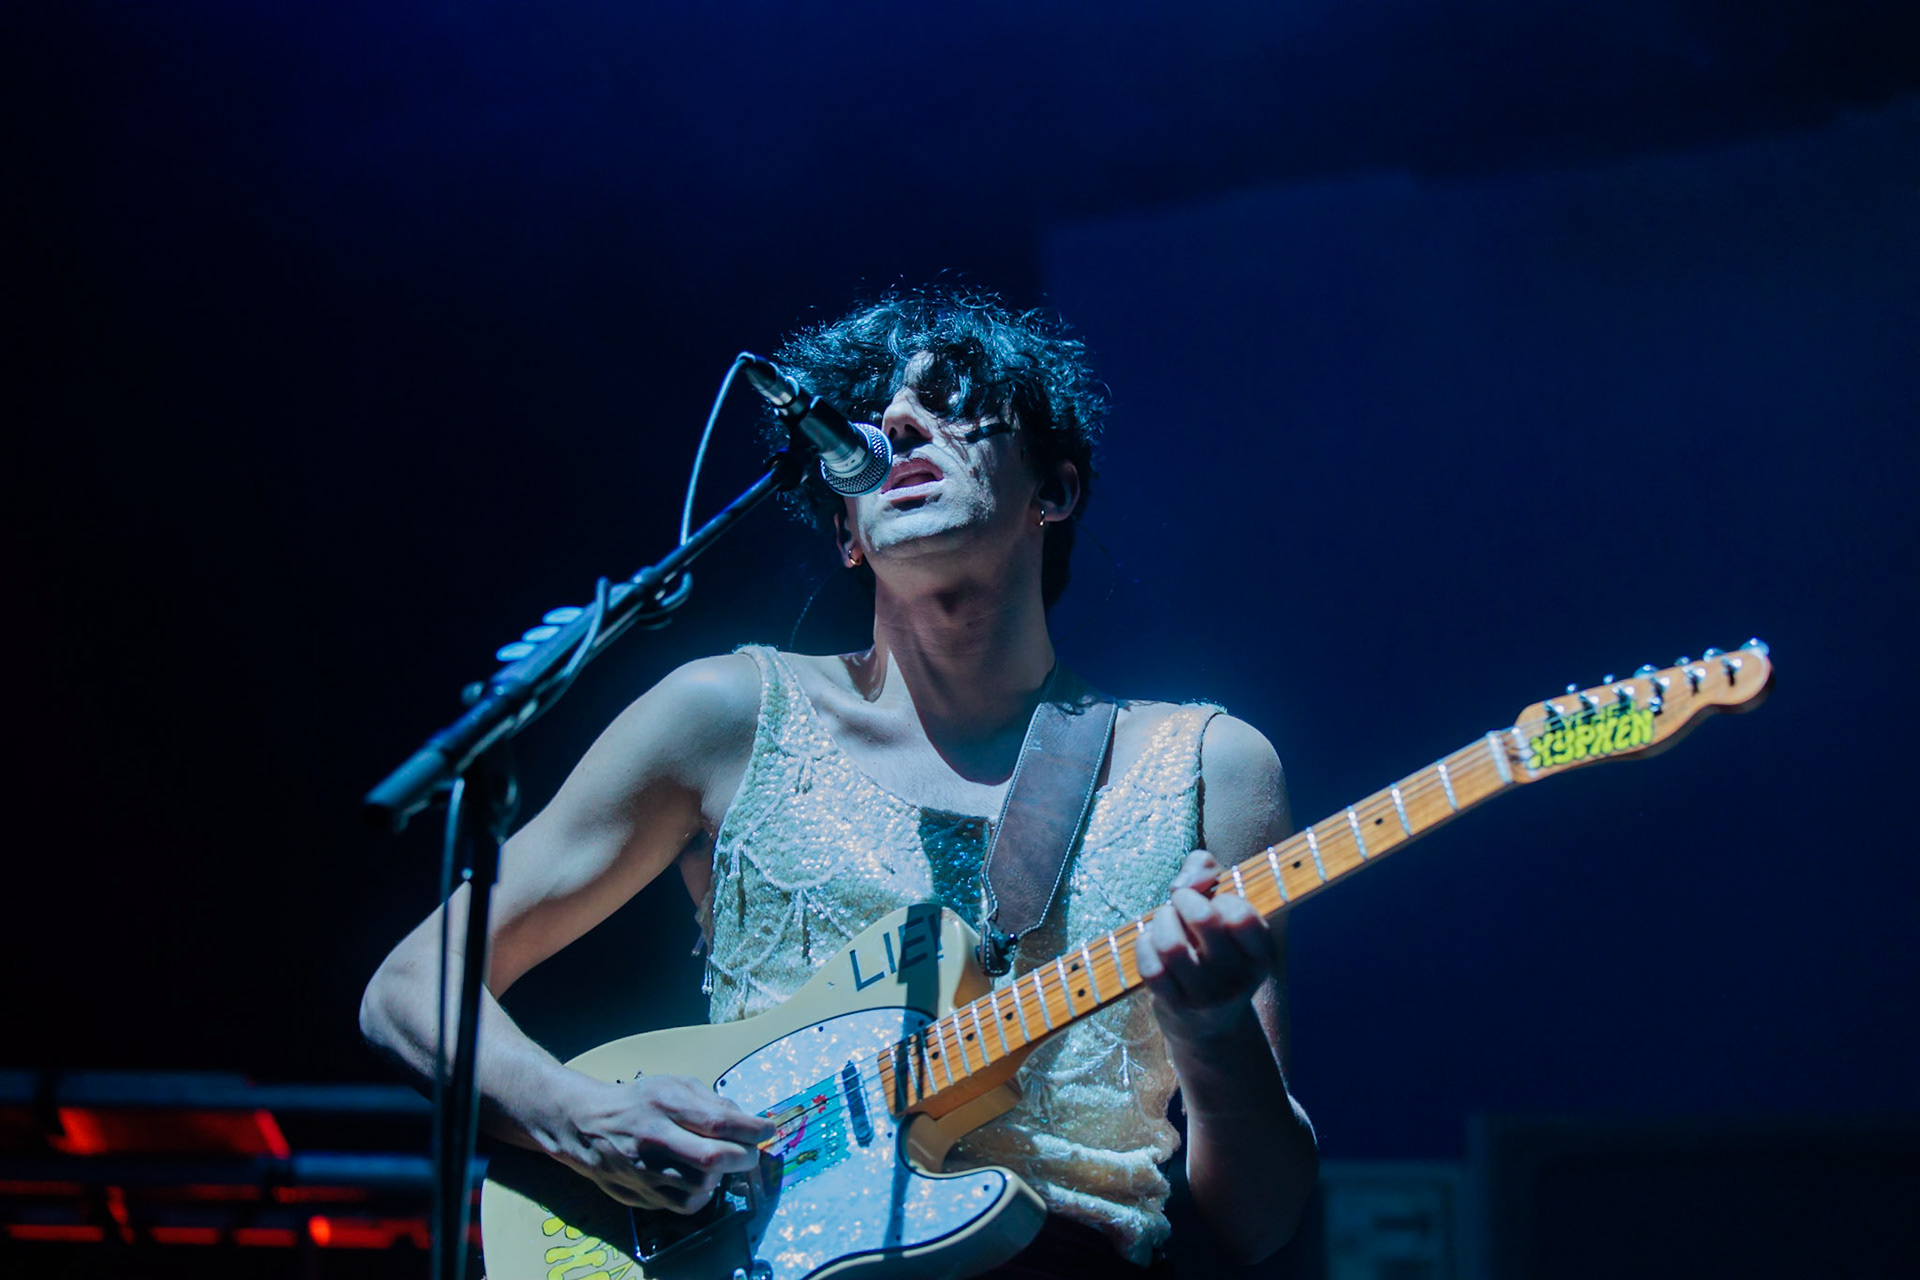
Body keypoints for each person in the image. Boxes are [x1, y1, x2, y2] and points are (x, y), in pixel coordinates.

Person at [360, 290, 1319, 1274]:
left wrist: (1209, 1029)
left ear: (1055, 489)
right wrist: (580, 1114)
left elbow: (1263, 1213)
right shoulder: (728, 715)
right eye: (873, 416)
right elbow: (410, 984)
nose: (899, 422)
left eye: (950, 402)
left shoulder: (1205, 766)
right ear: (848, 533)